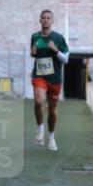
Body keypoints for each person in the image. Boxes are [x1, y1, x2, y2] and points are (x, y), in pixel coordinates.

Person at [30, 9, 69, 151]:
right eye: (43, 18)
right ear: (40, 20)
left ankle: (51, 137)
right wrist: (33, 53)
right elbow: (34, 53)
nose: (46, 20)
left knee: (52, 111)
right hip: (39, 76)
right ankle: (40, 129)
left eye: (48, 18)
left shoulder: (58, 38)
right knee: (39, 100)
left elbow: (66, 59)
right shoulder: (35, 37)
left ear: (52, 21)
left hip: (55, 79)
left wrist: (56, 51)